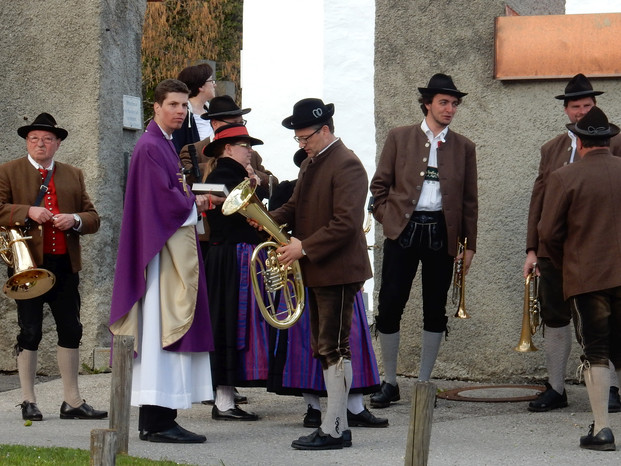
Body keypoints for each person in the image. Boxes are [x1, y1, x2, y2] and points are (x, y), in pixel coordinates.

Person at [109, 79, 214, 443]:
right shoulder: (151, 146)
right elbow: (160, 201)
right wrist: (193, 203)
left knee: (163, 330)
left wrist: (188, 200)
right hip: (158, 258)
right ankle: (156, 422)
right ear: (155, 107)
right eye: (172, 104)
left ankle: (161, 417)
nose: (180, 112)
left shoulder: (165, 144)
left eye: (184, 106)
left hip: (166, 250)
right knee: (158, 330)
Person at [265, 98, 372, 450]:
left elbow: (345, 224)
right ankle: (335, 424)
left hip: (337, 270)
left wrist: (303, 247)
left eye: (305, 137)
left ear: (325, 130)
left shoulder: (348, 164)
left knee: (334, 348)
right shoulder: (314, 162)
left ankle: (335, 427)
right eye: (298, 140)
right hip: (319, 269)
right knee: (327, 347)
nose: (302, 144)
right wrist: (268, 218)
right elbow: (297, 205)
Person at [369, 73, 477, 408]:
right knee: (390, 305)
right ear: (428, 103)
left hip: (441, 234)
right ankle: (389, 381)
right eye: (444, 102)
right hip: (404, 230)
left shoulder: (463, 147)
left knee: (435, 308)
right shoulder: (400, 137)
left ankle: (424, 383)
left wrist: (469, 244)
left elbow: (470, 200)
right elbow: (379, 187)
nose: (450, 109)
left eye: (454, 104)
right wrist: (390, 220)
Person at [524, 74, 621, 413]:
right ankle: (556, 387)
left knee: (603, 320)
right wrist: (532, 249)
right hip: (555, 251)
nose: (582, 111)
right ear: (566, 110)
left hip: (598, 252)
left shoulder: (615, 140)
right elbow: (539, 200)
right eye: (576, 106)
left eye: (588, 106)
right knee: (554, 316)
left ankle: (609, 390)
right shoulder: (551, 149)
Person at [0, 112, 106, 422]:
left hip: (64, 264)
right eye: (34, 139)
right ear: (27, 142)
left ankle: (72, 401)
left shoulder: (73, 174)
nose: (40, 144)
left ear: (57, 143)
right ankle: (28, 400)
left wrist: (73, 220)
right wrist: (28, 211)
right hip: (27, 265)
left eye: (47, 139)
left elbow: (93, 217)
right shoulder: (8, 172)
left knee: (71, 329)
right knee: (30, 330)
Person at [202, 123, 269, 421]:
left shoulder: (238, 175)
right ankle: (224, 402)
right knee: (229, 324)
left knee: (231, 324)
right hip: (232, 257)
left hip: (233, 255)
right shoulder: (224, 176)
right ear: (228, 149)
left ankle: (226, 398)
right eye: (245, 144)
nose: (250, 150)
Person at [172, 63, 217, 154]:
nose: (214, 85)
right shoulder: (181, 115)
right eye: (211, 81)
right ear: (200, 86)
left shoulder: (213, 114)